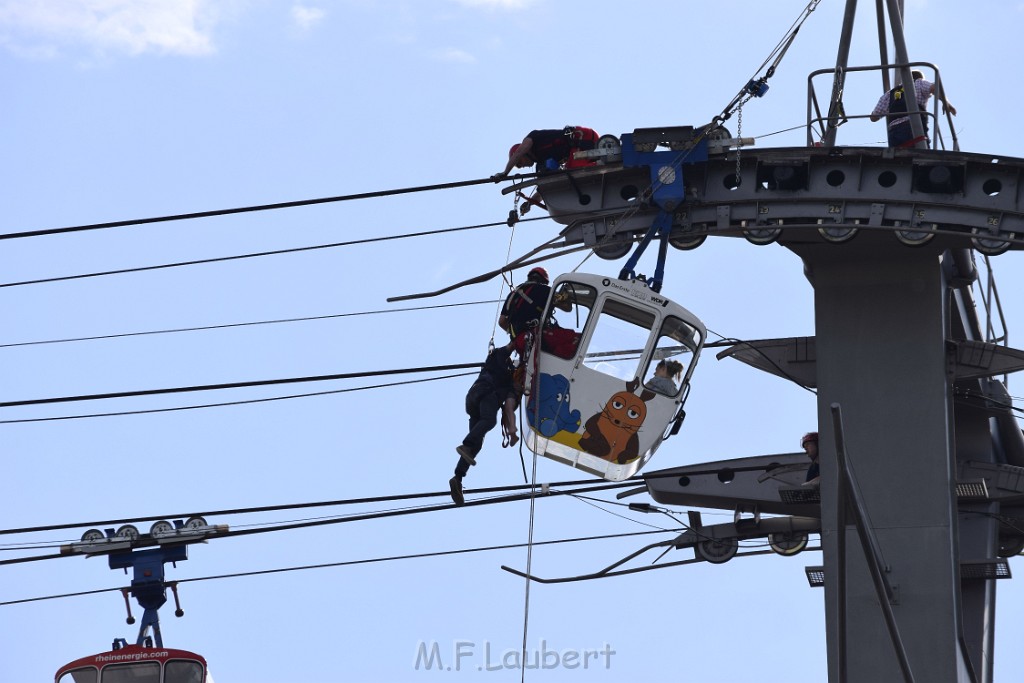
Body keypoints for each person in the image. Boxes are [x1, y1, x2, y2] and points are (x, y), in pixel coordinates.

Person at [450, 342, 520, 506]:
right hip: (486, 394)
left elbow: (509, 409)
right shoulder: (500, 357)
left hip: (473, 399)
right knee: (489, 421)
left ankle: (457, 478)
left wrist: (512, 431)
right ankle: (466, 444)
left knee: (478, 442)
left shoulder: (508, 380)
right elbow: (512, 345)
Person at [869, 70, 956, 148]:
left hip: (894, 132)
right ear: (919, 78)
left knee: (897, 159)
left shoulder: (890, 94)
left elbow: (873, 117)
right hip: (913, 127)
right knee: (923, 155)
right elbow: (934, 88)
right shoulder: (919, 83)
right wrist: (946, 102)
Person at [492, 126, 598, 180]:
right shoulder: (542, 163)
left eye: (519, 162)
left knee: (572, 169)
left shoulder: (531, 138)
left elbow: (519, 152)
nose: (522, 166)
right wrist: (530, 203)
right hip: (578, 152)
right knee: (545, 174)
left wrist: (504, 173)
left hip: (583, 138)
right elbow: (544, 186)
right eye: (519, 166)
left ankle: (600, 165)